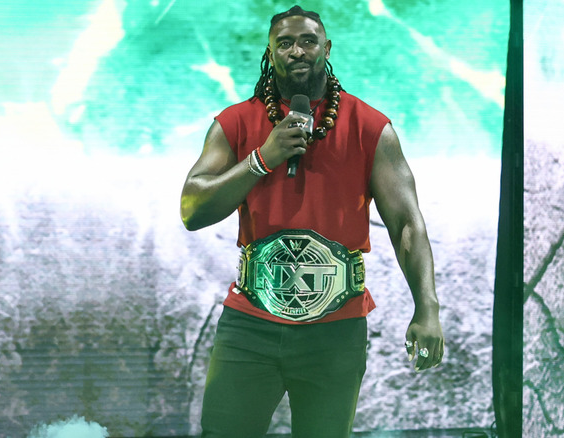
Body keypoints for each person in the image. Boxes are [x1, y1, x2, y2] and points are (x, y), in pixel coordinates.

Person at [180, 5, 444, 437]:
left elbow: (407, 225)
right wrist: (263, 158)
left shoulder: (371, 127)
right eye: (285, 43)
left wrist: (427, 308)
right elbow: (192, 209)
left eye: (308, 41)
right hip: (251, 323)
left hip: (336, 329)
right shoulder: (236, 122)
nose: (297, 51)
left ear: (327, 48)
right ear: (270, 53)